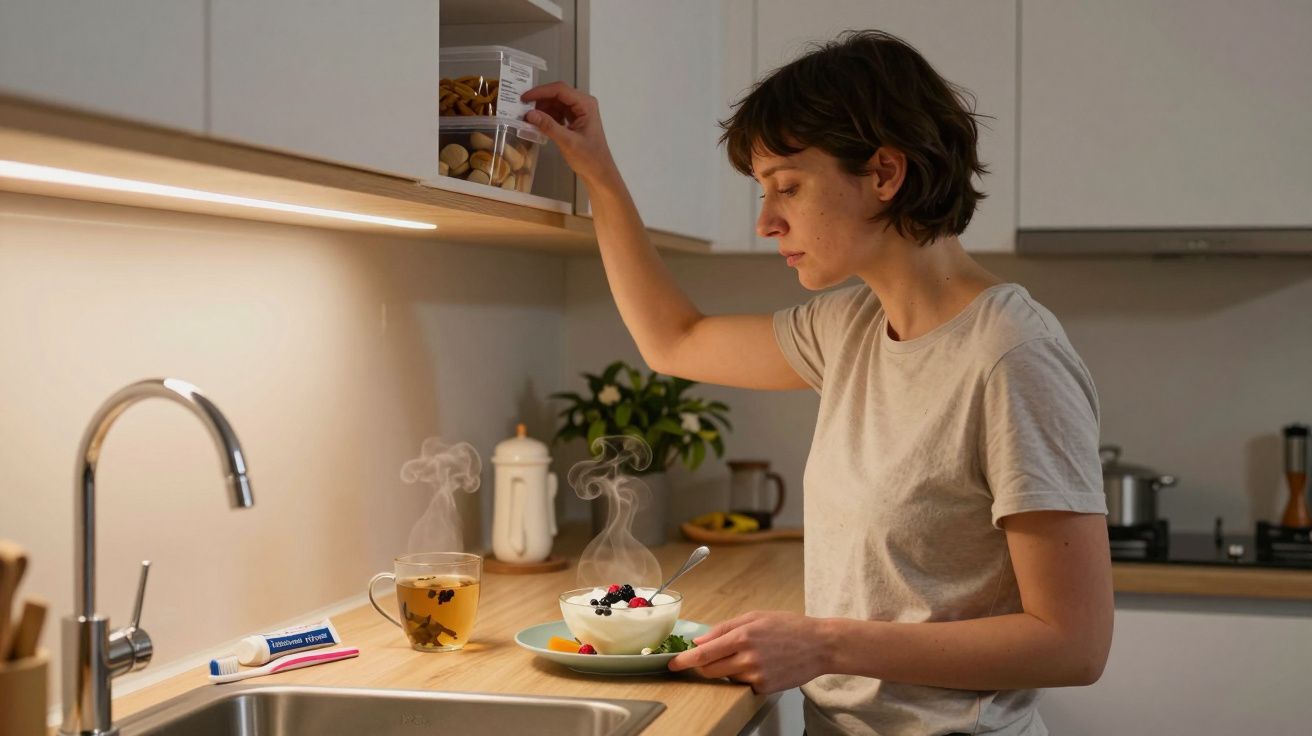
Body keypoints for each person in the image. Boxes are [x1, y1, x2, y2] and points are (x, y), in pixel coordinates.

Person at [523, 29, 1112, 736]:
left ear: (885, 175)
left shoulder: (1011, 357)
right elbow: (673, 340)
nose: (768, 221)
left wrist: (824, 643)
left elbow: (1073, 645)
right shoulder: (850, 327)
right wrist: (599, 173)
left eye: (788, 188)